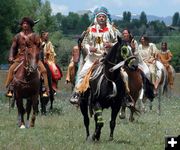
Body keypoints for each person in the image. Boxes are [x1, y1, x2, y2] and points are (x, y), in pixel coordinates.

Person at [70, 7, 121, 104]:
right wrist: (89, 48)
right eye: (99, 16)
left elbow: (118, 43)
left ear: (106, 18)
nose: (101, 18)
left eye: (103, 16)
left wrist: (111, 45)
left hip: (108, 59)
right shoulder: (90, 30)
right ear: (96, 18)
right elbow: (84, 43)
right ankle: (77, 93)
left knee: (123, 74)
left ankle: (126, 96)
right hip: (93, 59)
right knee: (82, 74)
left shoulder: (112, 30)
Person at [5, 17, 49, 97]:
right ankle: (10, 88)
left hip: (33, 58)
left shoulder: (35, 36)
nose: (25, 25)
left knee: (44, 70)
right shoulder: (17, 36)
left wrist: (40, 47)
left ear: (30, 25)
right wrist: (11, 56)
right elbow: (13, 47)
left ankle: (44, 89)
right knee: (11, 69)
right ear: (21, 25)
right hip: (20, 58)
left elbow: (39, 46)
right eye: (23, 23)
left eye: (27, 24)